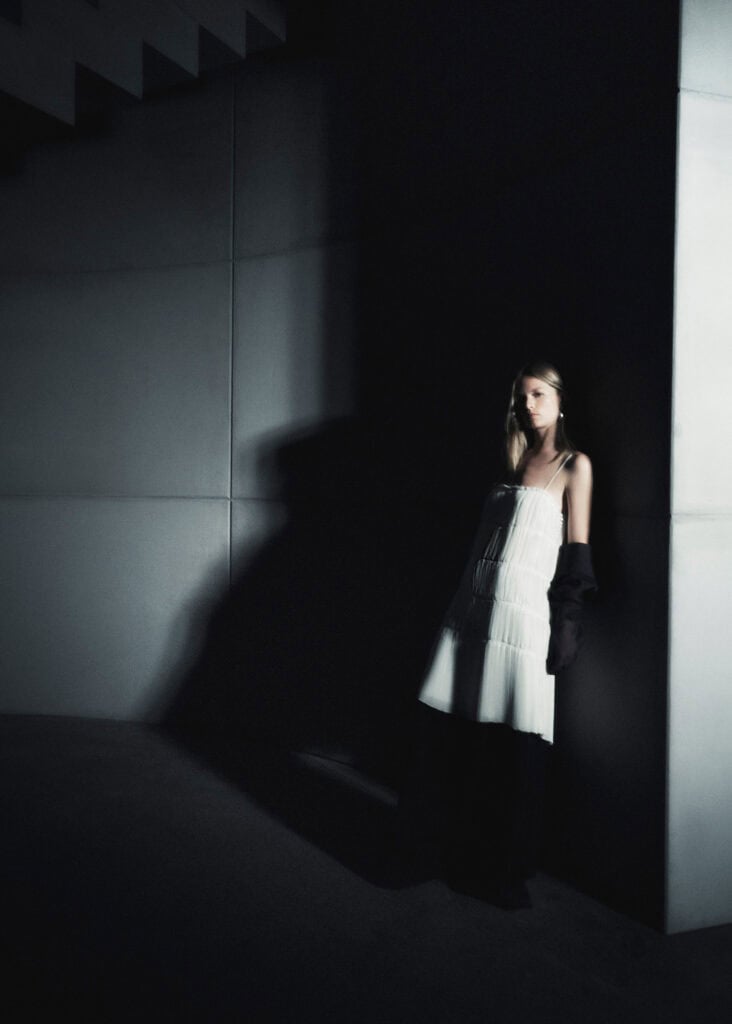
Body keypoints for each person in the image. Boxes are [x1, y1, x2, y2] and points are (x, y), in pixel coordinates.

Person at [400, 361, 595, 907]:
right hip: (472, 608)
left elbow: (576, 548)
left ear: (560, 399)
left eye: (538, 393)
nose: (528, 404)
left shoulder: (573, 465)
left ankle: (497, 870)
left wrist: (569, 620)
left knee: (510, 743)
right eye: (520, 396)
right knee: (452, 731)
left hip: (523, 616)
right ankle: (430, 852)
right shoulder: (508, 461)